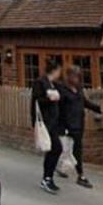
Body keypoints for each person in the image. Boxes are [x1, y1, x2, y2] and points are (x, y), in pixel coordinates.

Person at [56, 66, 102, 189]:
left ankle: (78, 174)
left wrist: (99, 109)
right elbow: (58, 109)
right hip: (66, 125)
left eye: (78, 76)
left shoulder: (79, 89)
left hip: (78, 124)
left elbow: (85, 103)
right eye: (74, 76)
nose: (76, 79)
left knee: (77, 150)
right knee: (64, 149)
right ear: (69, 76)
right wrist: (60, 125)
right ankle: (70, 171)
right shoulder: (62, 90)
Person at [32, 61, 63, 194]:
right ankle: (46, 178)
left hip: (54, 122)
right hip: (46, 123)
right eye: (59, 71)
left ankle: (48, 177)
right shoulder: (40, 82)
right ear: (54, 70)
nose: (59, 73)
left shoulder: (54, 84)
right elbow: (37, 100)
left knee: (54, 149)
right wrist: (50, 98)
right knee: (55, 148)